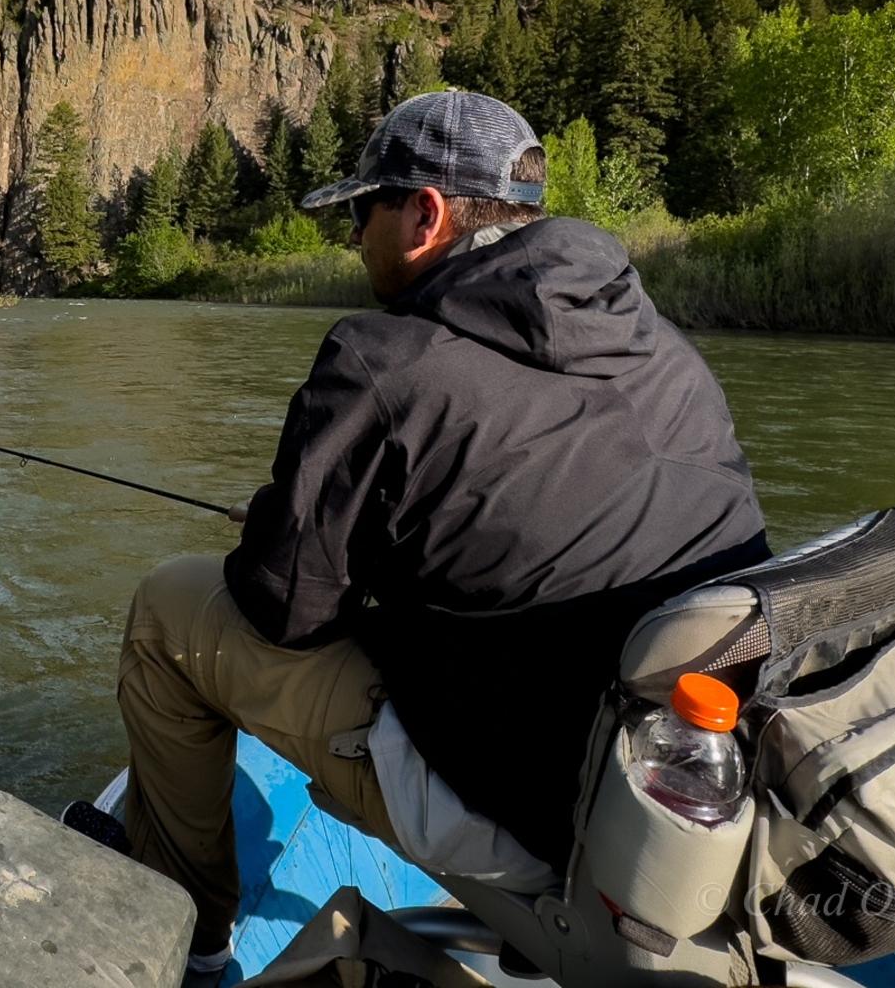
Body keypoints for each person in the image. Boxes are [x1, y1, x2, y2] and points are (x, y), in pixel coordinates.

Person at [94, 90, 769, 978]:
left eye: (361, 214)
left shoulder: (382, 359)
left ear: (424, 213)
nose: (352, 240)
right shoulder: (659, 344)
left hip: (545, 825)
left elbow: (280, 611)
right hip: (695, 799)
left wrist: (284, 531)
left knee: (168, 612)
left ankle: (192, 946)